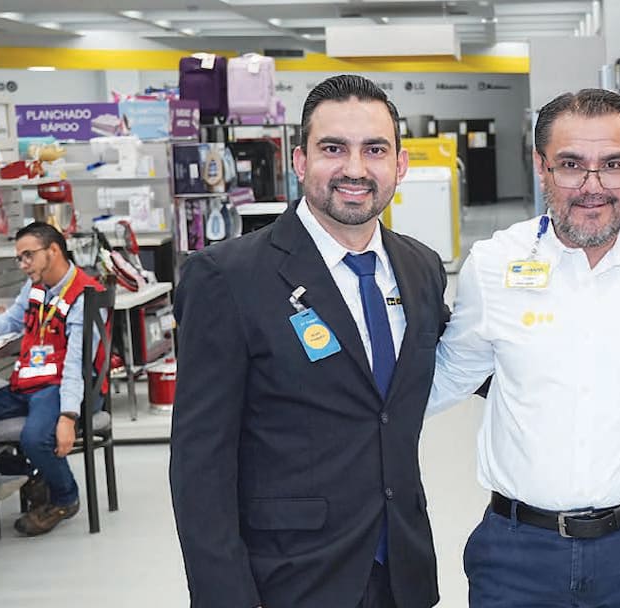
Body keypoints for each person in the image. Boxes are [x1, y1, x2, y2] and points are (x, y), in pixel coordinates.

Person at [427, 88, 620, 607]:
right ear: (541, 167)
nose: (592, 186)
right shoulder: (494, 266)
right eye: (570, 165)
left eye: (612, 165)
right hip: (516, 555)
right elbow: (446, 376)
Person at [170, 74, 448, 608]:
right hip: (289, 579)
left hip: (403, 572)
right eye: (332, 149)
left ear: (400, 164)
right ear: (299, 162)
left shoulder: (421, 268)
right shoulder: (226, 277)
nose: (354, 169)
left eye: (374, 149)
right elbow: (198, 464)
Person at [0, 221, 106, 535]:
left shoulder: (83, 296)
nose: (23, 264)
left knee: (35, 438)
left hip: (67, 386)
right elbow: (9, 321)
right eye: (19, 258)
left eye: (28, 256)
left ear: (53, 251)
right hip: (30, 382)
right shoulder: (34, 287)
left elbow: (76, 365)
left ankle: (65, 497)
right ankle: (25, 476)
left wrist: (68, 417)